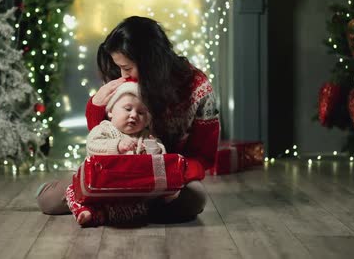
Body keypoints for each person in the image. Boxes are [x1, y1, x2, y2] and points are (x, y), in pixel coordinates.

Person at [37, 15, 220, 223]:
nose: (124, 76)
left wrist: (175, 174)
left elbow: (203, 157)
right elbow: (102, 135)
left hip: (163, 180)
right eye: (120, 69)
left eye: (127, 68)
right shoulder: (126, 81)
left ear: (150, 63)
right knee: (49, 200)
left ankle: (114, 211)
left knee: (195, 199)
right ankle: (127, 209)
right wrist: (96, 104)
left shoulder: (198, 88)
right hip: (117, 174)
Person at [65, 80, 167, 226]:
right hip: (101, 185)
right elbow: (93, 145)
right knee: (73, 190)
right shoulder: (105, 129)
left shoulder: (145, 136)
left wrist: (154, 149)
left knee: (144, 203)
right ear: (111, 111)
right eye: (127, 108)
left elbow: (161, 159)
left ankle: (106, 215)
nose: (134, 115)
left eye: (141, 112)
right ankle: (86, 211)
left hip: (130, 190)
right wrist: (117, 146)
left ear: (147, 120)